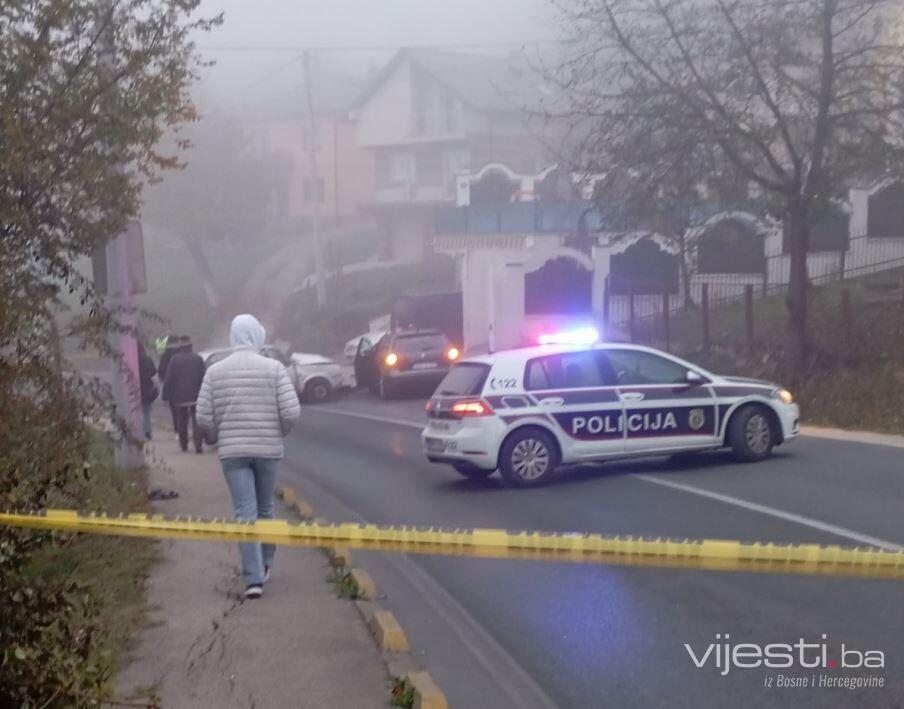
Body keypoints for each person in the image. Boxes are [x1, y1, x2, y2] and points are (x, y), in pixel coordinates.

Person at [197, 314, 301, 599]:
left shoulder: (215, 372)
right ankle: (267, 564)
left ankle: (253, 579)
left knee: (245, 512)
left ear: (233, 337)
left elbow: (203, 416)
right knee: (265, 508)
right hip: (268, 451)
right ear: (257, 335)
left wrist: (216, 435)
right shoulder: (274, 369)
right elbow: (291, 412)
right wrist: (279, 431)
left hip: (233, 453)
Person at [163, 336, 206, 453]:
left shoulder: (174, 360)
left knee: (182, 419)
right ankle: (198, 445)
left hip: (179, 395)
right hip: (197, 394)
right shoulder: (198, 359)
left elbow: (169, 378)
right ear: (191, 347)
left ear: (180, 348)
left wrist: (165, 395)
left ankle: (184, 444)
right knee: (196, 419)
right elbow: (204, 377)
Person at [158, 334, 180, 432]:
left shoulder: (165, 356)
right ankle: (183, 428)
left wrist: (164, 380)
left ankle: (177, 429)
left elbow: (161, 371)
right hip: (183, 385)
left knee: (174, 409)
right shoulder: (182, 352)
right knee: (185, 409)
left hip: (170, 386)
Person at [137, 342, 158, 440]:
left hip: (134, 387)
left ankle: (138, 430)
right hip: (147, 387)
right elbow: (154, 372)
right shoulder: (147, 360)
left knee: (136, 410)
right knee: (146, 411)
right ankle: (147, 431)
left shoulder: (131, 359)